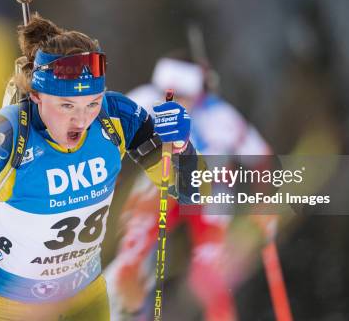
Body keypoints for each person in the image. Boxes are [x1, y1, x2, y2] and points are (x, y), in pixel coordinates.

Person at [0, 15, 204, 321]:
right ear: (36, 96)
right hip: (15, 304)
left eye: (92, 102)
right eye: (66, 106)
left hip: (85, 297)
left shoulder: (117, 118)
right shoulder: (9, 131)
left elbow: (191, 192)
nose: (82, 120)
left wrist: (182, 148)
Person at [105, 54, 273, 321]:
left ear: (196, 93)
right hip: (161, 183)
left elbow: (260, 156)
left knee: (212, 277)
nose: (175, 104)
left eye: (183, 96)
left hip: (211, 191)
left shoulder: (219, 115)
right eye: (168, 96)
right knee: (131, 258)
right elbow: (106, 142)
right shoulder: (141, 102)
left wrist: (263, 206)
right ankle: (125, 309)